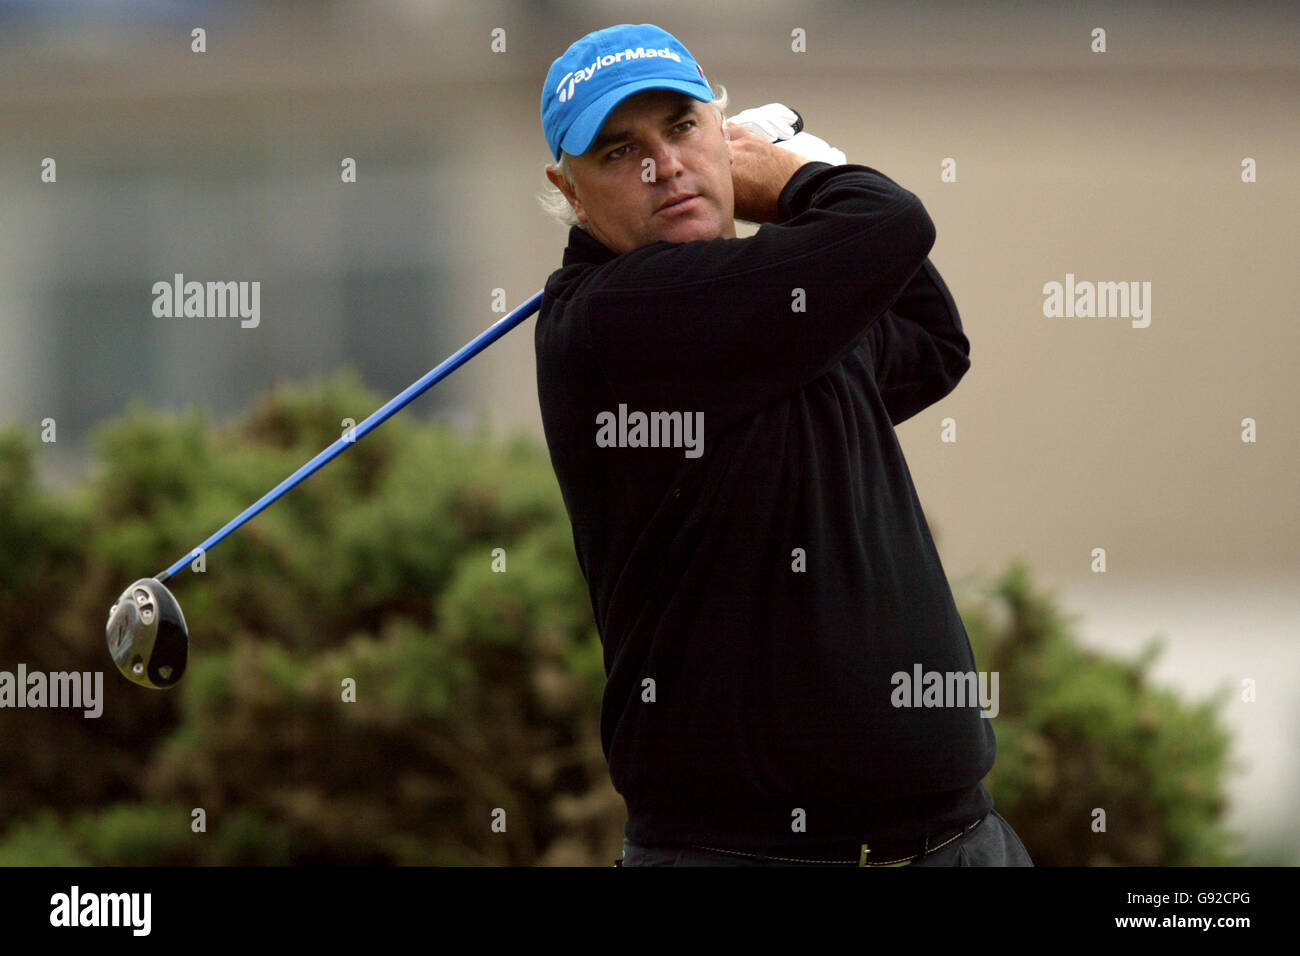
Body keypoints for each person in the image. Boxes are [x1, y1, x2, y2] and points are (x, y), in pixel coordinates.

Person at [534, 22, 1032, 867]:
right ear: (570, 190)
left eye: (683, 128)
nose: (663, 165)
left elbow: (930, 338)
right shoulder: (613, 319)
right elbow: (891, 223)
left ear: (722, 132)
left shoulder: (773, 305)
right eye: (619, 152)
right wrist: (803, 178)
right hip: (743, 853)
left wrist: (804, 191)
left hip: (957, 838)